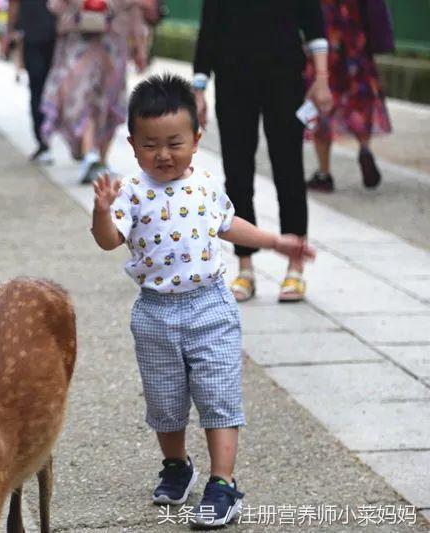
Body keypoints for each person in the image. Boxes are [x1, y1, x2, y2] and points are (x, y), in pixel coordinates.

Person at [91, 74, 316, 527]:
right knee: (165, 401)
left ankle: (223, 483)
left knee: (218, 394)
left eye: (174, 142)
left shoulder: (207, 185)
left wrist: (275, 242)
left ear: (196, 139)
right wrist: (101, 211)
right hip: (154, 311)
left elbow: (231, 225)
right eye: (151, 144)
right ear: (133, 144)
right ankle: (177, 466)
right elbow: (109, 240)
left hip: (210, 305)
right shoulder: (131, 192)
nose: (164, 154)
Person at [192, 0, 333, 303]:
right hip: (232, 79)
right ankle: (245, 268)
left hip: (285, 79)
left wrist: (322, 80)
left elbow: (314, 27)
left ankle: (295, 266)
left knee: (289, 170)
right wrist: (199, 89)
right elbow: (209, 32)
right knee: (237, 174)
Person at [41, 0, 148, 184]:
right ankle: (94, 156)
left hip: (90, 36)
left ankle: (95, 157)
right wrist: (139, 46)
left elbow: (55, 6)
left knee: (91, 97)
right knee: (97, 98)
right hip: (99, 37)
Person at [305, 0, 392, 192]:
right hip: (355, 40)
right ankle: (364, 149)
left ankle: (324, 173)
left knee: (322, 102)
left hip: (325, 42)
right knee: (359, 99)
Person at [3, 0, 57, 165]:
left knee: (45, 88)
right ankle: (43, 139)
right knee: (38, 88)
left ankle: (47, 139)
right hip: (37, 35)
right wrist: (9, 31)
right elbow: (14, 5)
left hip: (56, 35)